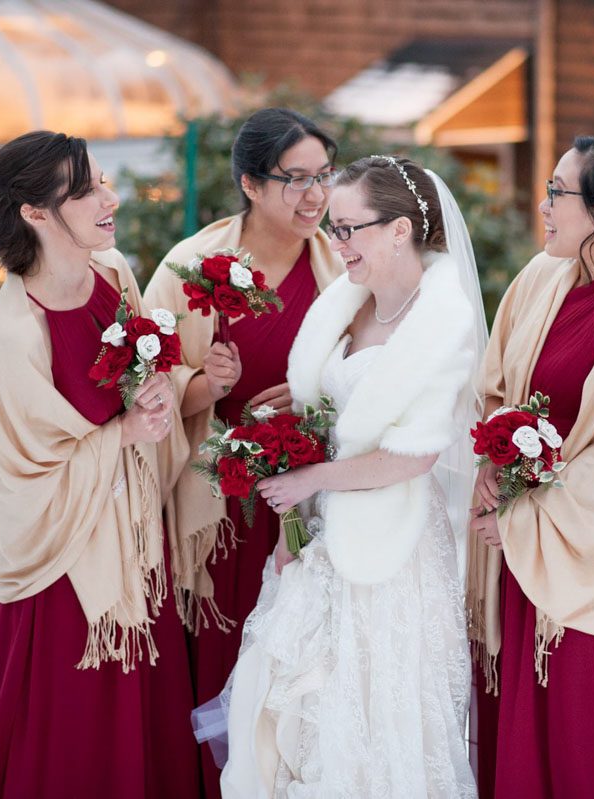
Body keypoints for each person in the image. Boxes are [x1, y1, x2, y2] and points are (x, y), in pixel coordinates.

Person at [204, 155, 484, 797]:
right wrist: (290, 479)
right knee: (294, 706)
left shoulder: (441, 325)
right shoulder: (347, 305)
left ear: (400, 230)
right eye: (334, 228)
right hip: (321, 536)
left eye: (350, 228)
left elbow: (413, 456)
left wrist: (312, 480)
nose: (337, 244)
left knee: (371, 713)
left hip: (391, 550)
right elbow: (325, 416)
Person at [0, 131, 209, 798]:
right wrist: (120, 431)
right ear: (36, 213)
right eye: (88, 188)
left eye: (101, 182)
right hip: (65, 575)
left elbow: (145, 381)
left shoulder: (113, 275)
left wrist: (160, 395)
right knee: (71, 738)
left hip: (133, 543)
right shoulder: (15, 331)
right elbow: (26, 476)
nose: (109, 198)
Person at [466, 134, 594, 798]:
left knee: (579, 750)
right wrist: (489, 465)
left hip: (583, 568)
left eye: (558, 192)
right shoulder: (539, 279)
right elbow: (496, 386)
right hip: (517, 556)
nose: (544, 205)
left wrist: (523, 516)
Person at [142, 108, 345, 796]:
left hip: (314, 498)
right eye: (295, 179)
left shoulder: (343, 269)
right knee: (228, 648)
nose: (315, 195)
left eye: (323, 176)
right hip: (222, 498)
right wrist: (204, 384)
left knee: (302, 671)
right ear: (252, 184)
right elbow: (145, 382)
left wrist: (322, 399)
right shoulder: (190, 267)